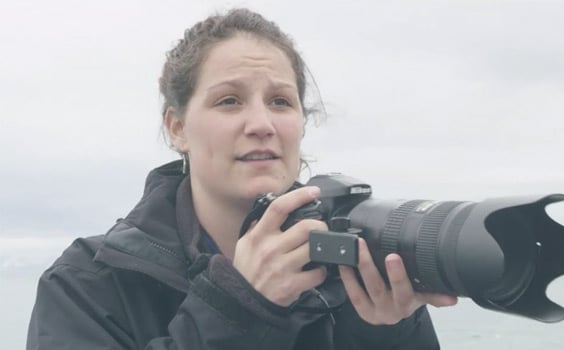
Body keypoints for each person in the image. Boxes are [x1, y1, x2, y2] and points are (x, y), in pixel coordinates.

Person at [26, 8, 457, 350]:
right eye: (229, 101)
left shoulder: (350, 270)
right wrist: (238, 307)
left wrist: (387, 335)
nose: (262, 123)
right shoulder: (86, 285)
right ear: (177, 128)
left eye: (281, 101)